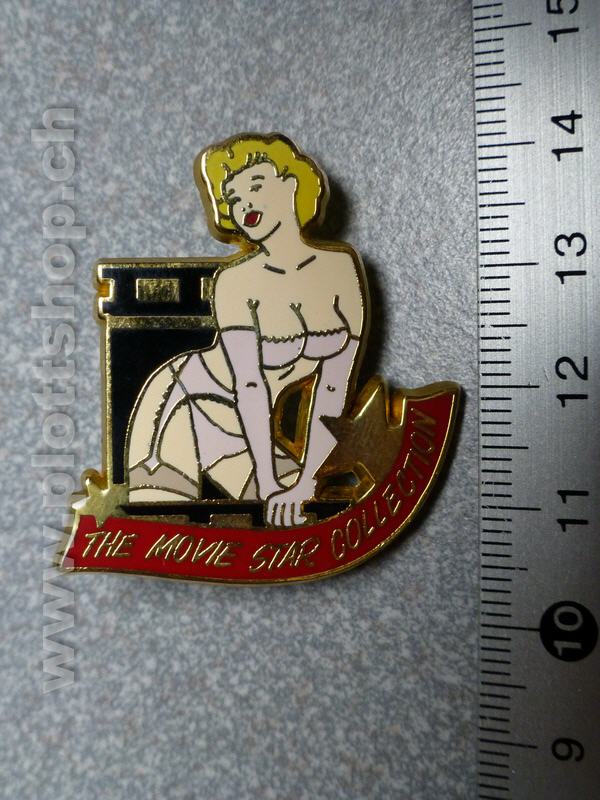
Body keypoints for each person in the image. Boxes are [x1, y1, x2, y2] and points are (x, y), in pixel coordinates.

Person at [128, 133, 368, 527]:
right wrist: (269, 483)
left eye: (256, 186)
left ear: (291, 184)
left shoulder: (341, 268)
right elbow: (250, 386)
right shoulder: (235, 281)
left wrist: (307, 481)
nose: (245, 206)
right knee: (159, 529)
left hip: (248, 428)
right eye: (234, 199)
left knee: (301, 516)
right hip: (183, 402)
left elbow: (333, 389)